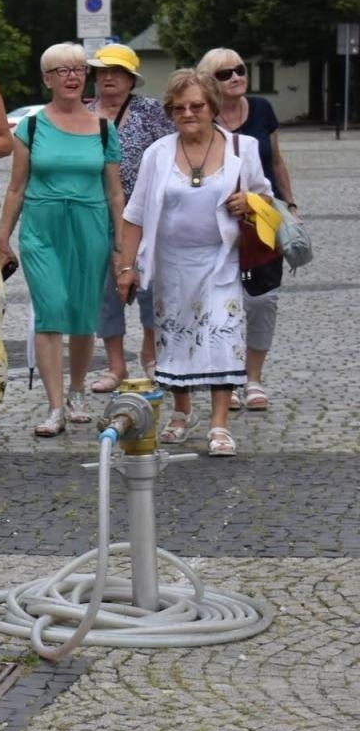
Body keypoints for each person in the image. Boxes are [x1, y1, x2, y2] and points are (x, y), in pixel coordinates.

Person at [114, 69, 274, 456]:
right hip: (170, 262)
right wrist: (127, 267)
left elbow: (267, 198)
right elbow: (134, 214)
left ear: (213, 107)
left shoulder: (243, 148)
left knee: (224, 335)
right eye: (179, 107)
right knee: (174, 338)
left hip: (222, 260)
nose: (188, 113)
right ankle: (181, 412)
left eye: (197, 106)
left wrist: (249, 202)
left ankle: (219, 425)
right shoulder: (158, 153)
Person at [0, 42, 123, 437]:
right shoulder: (31, 127)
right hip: (42, 228)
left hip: (90, 226)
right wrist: (1, 238)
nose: (72, 76)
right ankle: (55, 407)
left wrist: (122, 246)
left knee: (84, 314)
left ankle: (77, 391)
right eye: (61, 70)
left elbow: (115, 192)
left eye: (78, 69)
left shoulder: (103, 128)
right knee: (51, 309)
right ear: (47, 79)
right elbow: (16, 188)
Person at [197, 47, 300, 412]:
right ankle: (228, 378)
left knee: (262, 300)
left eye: (240, 69)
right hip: (215, 224)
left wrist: (290, 206)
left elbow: (276, 161)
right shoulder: (201, 117)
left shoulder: (261, 109)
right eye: (225, 74)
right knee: (221, 303)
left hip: (261, 218)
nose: (236, 77)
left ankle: (253, 377)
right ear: (209, 82)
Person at [85, 44, 172, 393]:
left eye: (117, 72)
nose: (108, 77)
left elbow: (170, 154)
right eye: (103, 71)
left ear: (131, 79)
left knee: (150, 286)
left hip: (146, 216)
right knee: (104, 294)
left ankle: (150, 353)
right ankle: (115, 365)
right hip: (97, 216)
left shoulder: (151, 112)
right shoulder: (84, 114)